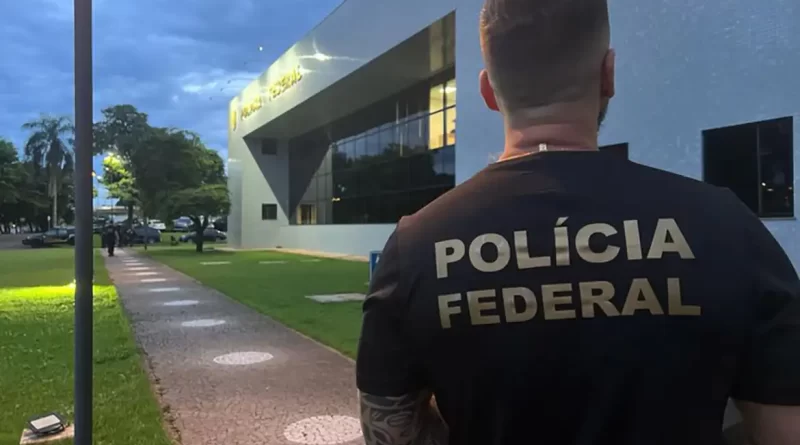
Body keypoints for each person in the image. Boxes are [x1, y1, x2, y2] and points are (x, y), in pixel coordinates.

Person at [355, 1, 800, 444]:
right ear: (608, 76)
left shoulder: (416, 248)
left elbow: (391, 431)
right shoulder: (727, 228)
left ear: (488, 91)